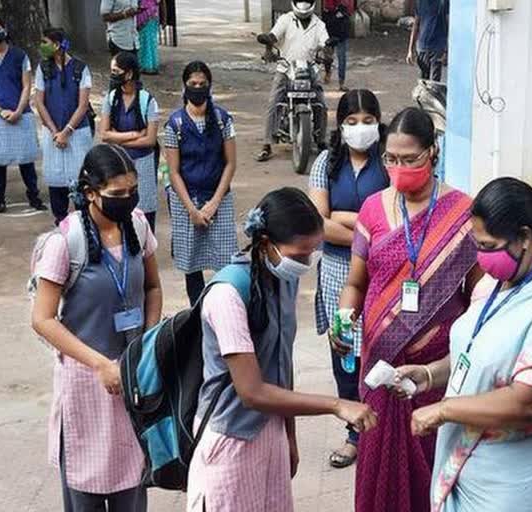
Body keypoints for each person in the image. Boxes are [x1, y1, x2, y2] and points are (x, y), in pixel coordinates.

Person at [393, 178, 532, 511]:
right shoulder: (508, 281)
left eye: (489, 246)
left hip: (517, 489)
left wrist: (444, 409)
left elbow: (530, 404)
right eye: (476, 245)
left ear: (524, 237)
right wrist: (430, 374)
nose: (482, 258)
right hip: (473, 473)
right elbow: (485, 353)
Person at [186, 187, 377, 512]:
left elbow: (281, 363)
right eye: (300, 255)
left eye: (312, 253)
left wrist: (289, 436)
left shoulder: (283, 278)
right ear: (265, 245)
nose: (306, 263)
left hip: (269, 431)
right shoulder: (226, 295)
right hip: (230, 439)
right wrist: (335, 405)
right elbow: (252, 392)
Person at [333, 107, 481, 512]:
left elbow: (478, 301)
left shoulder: (463, 216)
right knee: (379, 470)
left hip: (435, 375)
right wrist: (343, 319)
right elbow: (356, 284)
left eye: (409, 159)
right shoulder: (373, 210)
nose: (399, 168)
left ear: (433, 152)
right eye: (391, 159)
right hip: (380, 370)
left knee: (434, 473)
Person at [31, 143, 162, 512]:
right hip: (86, 386)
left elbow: (152, 288)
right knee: (85, 487)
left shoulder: (137, 225)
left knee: (132, 486)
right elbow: (42, 319)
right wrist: (100, 364)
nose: (128, 200)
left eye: (132, 191)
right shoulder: (64, 242)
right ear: (89, 193)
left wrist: (147, 343)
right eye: (117, 194)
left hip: (133, 379)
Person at [308, 89, 389, 469]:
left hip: (383, 270)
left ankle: (383, 426)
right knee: (344, 348)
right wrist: (370, 229)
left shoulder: (390, 161)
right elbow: (318, 223)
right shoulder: (326, 162)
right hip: (339, 273)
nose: (360, 128)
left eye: (368, 121)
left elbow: (398, 223)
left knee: (382, 344)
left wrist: (343, 218)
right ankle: (354, 432)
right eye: (352, 121)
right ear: (340, 125)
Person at [164, 61, 238, 306]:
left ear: (209, 86)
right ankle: (197, 310)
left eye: (202, 84)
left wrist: (214, 203)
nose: (197, 88)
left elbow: (230, 163)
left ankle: (223, 308)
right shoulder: (174, 125)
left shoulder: (222, 120)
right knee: (191, 262)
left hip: (219, 197)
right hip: (187, 200)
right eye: (192, 84)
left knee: (226, 262)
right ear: (184, 86)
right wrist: (192, 210)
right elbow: (173, 172)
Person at [0, 15, 46, 214]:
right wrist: (0, 111)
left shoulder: (19, 56)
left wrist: (18, 110)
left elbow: (26, 85)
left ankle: (34, 196)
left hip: (21, 113)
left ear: (5, 30)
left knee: (26, 160)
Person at [255, 0, 330, 162]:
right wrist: (267, 40)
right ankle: (267, 144)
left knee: (321, 104)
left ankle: (321, 139)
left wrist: (328, 48)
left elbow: (326, 43)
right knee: (273, 102)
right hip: (286, 68)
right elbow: (273, 36)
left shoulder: (319, 24)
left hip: (310, 69)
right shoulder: (285, 19)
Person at [34, 27, 94, 225]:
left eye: (45, 42)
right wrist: (54, 132)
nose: (42, 46)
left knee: (79, 179)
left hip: (77, 132)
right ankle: (60, 221)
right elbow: (39, 102)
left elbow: (83, 105)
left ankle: (84, 223)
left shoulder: (80, 68)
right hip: (52, 134)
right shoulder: (43, 68)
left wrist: (67, 131)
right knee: (56, 178)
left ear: (57, 45)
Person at [100, 51, 160, 232]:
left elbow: (150, 140)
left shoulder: (147, 101)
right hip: (119, 163)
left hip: (143, 162)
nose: (112, 75)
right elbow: (103, 134)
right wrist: (134, 134)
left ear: (129, 74)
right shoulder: (110, 99)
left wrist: (117, 139)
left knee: (145, 209)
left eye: (116, 71)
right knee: (120, 208)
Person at [406, 0, 449, 81]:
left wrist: (447, 50)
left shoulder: (444, 2)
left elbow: (448, 25)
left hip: (437, 47)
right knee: (423, 82)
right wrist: (410, 50)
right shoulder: (420, 2)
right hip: (422, 46)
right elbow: (416, 25)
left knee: (434, 83)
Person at [322, 0, 353, 91]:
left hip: (339, 28)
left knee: (340, 57)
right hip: (331, 27)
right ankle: (332, 75)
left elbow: (350, 9)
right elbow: (328, 7)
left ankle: (340, 81)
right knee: (329, 56)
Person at [137, 0, 160, 74]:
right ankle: (152, 65)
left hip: (146, 15)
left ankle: (146, 66)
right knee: (151, 42)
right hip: (153, 14)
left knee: (145, 42)